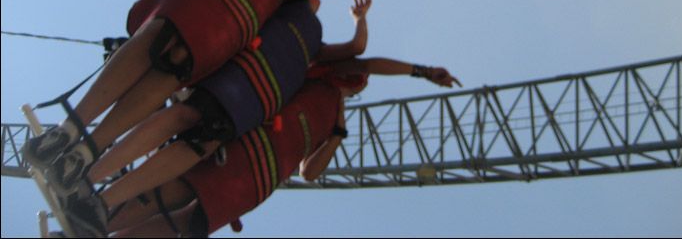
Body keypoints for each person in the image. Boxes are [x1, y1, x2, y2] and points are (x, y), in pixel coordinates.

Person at [24, 0, 420, 195]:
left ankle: (86, 151)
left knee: (173, 72)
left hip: (236, 21)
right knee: (154, 38)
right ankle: (69, 130)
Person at [70, 57, 461, 237]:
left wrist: (338, 135)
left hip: (259, 177)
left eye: (360, 81)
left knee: (185, 222)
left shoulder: (335, 121)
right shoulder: (317, 76)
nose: (360, 78)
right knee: (171, 190)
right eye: (357, 75)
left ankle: (97, 227)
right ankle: (94, 218)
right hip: (246, 147)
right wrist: (422, 71)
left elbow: (310, 172)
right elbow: (370, 60)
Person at [63, 0, 372, 201]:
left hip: (236, 93)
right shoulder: (285, 14)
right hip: (225, 76)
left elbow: (355, 48)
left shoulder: (309, 54)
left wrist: (360, 20)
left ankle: (95, 181)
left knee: (184, 125)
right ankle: (87, 164)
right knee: (175, 108)